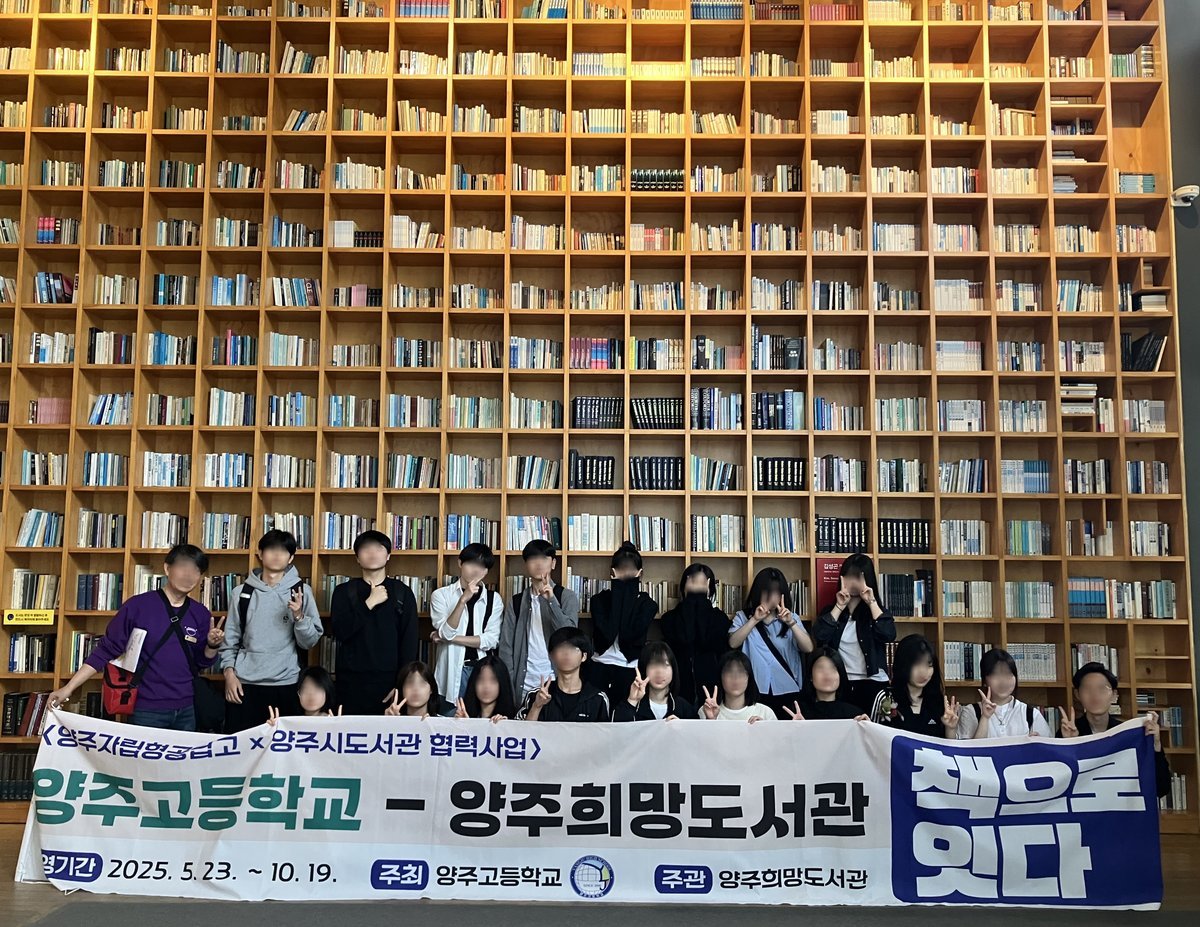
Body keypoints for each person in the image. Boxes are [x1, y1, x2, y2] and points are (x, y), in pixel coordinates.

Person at [48, 544, 224, 732]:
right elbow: (106, 650)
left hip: (187, 708)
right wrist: (69, 688)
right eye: (183, 567)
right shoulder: (138, 606)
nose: (188, 575)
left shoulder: (200, 613)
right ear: (167, 568)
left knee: (183, 753)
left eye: (196, 570)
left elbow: (200, 662)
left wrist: (212, 646)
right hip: (146, 708)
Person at [220, 529, 323, 731]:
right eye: (271, 549)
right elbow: (230, 640)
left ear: (291, 558)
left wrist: (299, 616)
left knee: (283, 745)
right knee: (244, 744)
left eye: (283, 551)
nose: (277, 555)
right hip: (245, 683)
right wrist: (229, 675)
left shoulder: (301, 591)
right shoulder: (242, 593)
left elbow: (309, 642)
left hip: (287, 683)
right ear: (260, 553)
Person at [329, 530, 419, 715]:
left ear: (388, 555)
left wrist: (401, 684)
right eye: (365, 549)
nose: (372, 553)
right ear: (357, 558)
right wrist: (369, 603)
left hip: (389, 683)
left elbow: (409, 641)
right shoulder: (343, 591)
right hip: (350, 682)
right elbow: (341, 632)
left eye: (378, 548)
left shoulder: (402, 592)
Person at [1060, 661, 1172, 798]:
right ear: (1077, 695)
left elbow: (1161, 788)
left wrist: (1155, 746)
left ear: (1114, 695)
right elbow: (1058, 790)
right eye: (1087, 689)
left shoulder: (1129, 734)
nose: (1095, 695)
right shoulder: (1067, 732)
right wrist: (1070, 746)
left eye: (1102, 688)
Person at [498, 538, 579, 701]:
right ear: (526, 565)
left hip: (557, 681)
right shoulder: (517, 601)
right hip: (523, 683)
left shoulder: (566, 596)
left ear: (553, 563)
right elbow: (506, 647)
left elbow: (571, 637)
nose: (539, 563)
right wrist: (509, 683)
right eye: (533, 558)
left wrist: (551, 601)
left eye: (544, 558)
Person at [813, 554, 896, 711]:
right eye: (849, 576)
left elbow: (888, 635)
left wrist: (871, 602)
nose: (853, 582)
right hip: (841, 683)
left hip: (873, 683)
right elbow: (820, 637)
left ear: (868, 579)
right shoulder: (831, 611)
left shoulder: (875, 612)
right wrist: (839, 606)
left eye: (858, 577)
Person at [728, 567, 813, 718]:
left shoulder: (792, 618)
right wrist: (754, 620)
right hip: (756, 689)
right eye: (767, 591)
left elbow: (808, 648)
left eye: (777, 592)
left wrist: (791, 623)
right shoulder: (743, 617)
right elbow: (733, 643)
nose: (772, 597)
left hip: (788, 688)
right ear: (758, 592)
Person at [585, 542, 658, 705]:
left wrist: (623, 590)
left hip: (630, 669)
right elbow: (608, 632)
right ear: (612, 572)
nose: (626, 576)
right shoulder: (598, 601)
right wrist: (619, 591)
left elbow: (628, 635)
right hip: (599, 667)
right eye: (622, 570)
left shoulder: (648, 605)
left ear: (640, 574)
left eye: (630, 572)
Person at [431, 543, 506, 701]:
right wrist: (463, 600)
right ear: (460, 563)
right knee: (450, 713)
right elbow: (447, 631)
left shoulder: (494, 599)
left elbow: (491, 640)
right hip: (452, 669)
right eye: (472, 563)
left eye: (482, 566)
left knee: (481, 714)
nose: (477, 570)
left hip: (483, 671)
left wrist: (447, 638)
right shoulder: (441, 596)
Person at [659, 563, 730, 706]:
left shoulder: (719, 618)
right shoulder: (669, 619)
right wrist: (691, 600)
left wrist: (701, 600)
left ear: (709, 588)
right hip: (678, 688)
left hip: (712, 690)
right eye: (693, 582)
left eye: (702, 583)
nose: (697, 588)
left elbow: (706, 642)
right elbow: (686, 639)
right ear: (683, 585)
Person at [870, 634, 958, 737]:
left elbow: (947, 745)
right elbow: (873, 739)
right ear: (903, 665)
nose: (923, 671)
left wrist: (950, 728)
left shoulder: (938, 701)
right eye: (916, 664)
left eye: (929, 665)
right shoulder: (886, 698)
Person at [518, 626, 611, 722]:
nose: (566, 653)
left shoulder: (598, 698)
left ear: (584, 656)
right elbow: (520, 730)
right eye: (560, 648)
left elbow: (605, 731)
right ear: (551, 656)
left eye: (573, 649)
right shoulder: (536, 695)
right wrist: (536, 706)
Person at [956, 648, 1052, 739]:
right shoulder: (971, 712)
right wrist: (985, 717)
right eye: (995, 674)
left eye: (1008, 674)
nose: (1003, 681)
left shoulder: (1031, 714)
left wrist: (1036, 744)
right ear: (984, 680)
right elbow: (970, 750)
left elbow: (1049, 748)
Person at [612, 641, 695, 721]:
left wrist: (682, 727)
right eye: (653, 665)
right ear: (644, 669)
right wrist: (632, 701)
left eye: (665, 665)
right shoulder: (633, 703)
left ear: (673, 669)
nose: (659, 671)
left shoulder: (683, 707)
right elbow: (617, 728)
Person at [788, 647, 867, 720]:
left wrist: (867, 727)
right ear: (810, 676)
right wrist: (797, 726)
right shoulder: (796, 712)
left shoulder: (854, 714)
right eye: (820, 668)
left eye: (833, 668)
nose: (827, 673)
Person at [698, 650, 776, 723]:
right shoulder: (707, 710)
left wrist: (764, 728)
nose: (735, 677)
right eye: (729, 671)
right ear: (720, 677)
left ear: (749, 677)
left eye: (741, 671)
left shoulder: (765, 712)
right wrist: (711, 720)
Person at [455, 653, 517, 723]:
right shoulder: (463, 715)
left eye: (493, 680)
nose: (486, 686)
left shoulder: (513, 720)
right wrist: (464, 724)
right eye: (481, 679)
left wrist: (504, 726)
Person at [267, 666, 341, 724]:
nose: (311, 694)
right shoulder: (290, 722)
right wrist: (272, 729)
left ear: (327, 692)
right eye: (305, 689)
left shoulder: (333, 722)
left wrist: (338, 728)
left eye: (317, 689)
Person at [383, 661, 457, 718]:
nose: (416, 688)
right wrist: (389, 723)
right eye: (410, 683)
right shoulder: (393, 719)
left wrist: (462, 724)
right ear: (401, 689)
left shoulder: (443, 723)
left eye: (422, 683)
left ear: (431, 689)